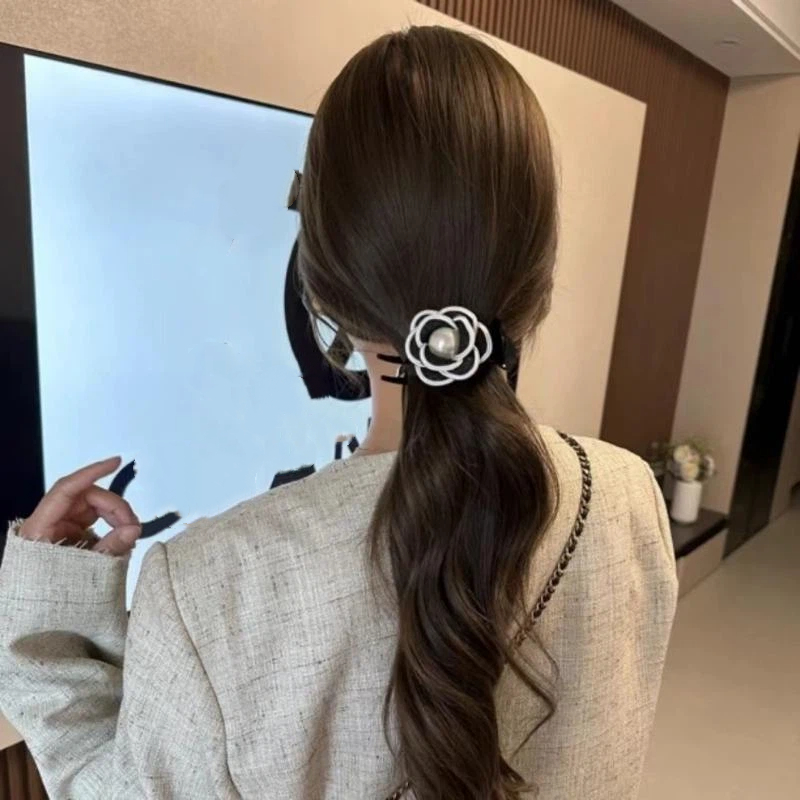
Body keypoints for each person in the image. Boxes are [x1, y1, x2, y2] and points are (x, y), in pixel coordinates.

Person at [0, 26, 678, 800]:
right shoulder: (627, 497)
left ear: (319, 286)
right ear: (537, 279)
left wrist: (50, 631)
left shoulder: (214, 586)